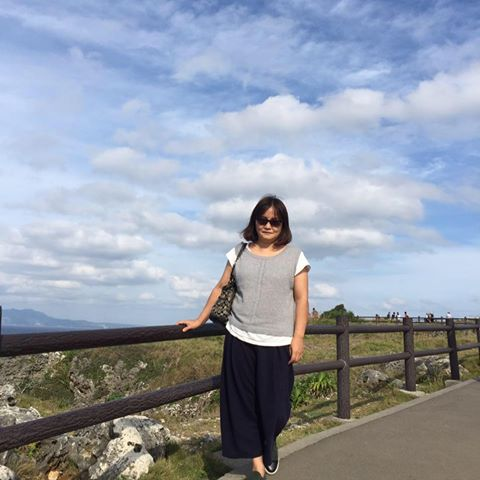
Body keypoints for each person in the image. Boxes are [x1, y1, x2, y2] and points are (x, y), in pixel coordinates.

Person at [177, 195, 310, 479]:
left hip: (277, 342)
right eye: (263, 219)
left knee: (277, 407)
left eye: (275, 221)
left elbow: (302, 299)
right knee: (243, 402)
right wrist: (199, 320)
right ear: (254, 221)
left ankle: (268, 439)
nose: (268, 225)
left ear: (283, 225)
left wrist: (298, 337)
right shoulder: (239, 252)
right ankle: (257, 458)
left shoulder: (295, 256)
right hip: (239, 338)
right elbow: (220, 288)